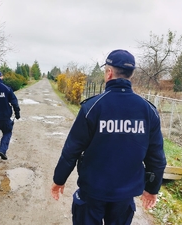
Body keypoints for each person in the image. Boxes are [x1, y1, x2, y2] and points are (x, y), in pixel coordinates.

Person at [51, 49, 167, 225]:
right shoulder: (148, 111)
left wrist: (59, 180)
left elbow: (72, 150)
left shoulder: (92, 107)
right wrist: (152, 189)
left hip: (92, 193)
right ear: (131, 75)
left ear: (109, 72)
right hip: (125, 196)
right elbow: (156, 157)